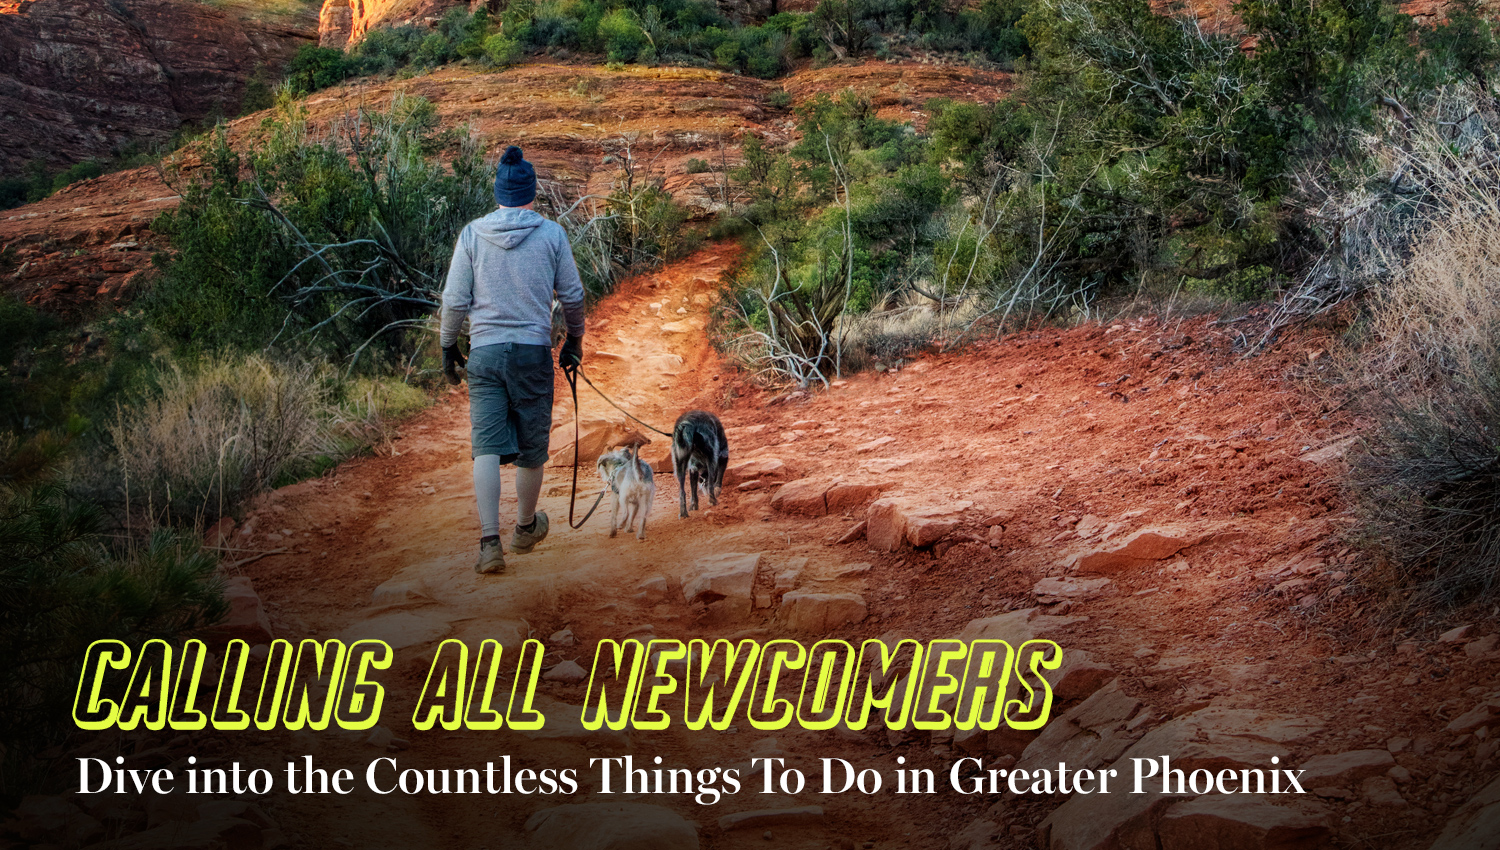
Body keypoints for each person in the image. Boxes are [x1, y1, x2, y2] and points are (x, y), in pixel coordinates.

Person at [440, 145, 585, 575]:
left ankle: (489, 544)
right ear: (532, 193)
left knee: (485, 445)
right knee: (531, 447)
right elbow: (573, 296)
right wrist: (574, 339)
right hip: (531, 351)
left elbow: (454, 300)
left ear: (498, 193)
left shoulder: (471, 234)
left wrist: (449, 346)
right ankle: (524, 528)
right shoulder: (552, 235)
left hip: (483, 352)